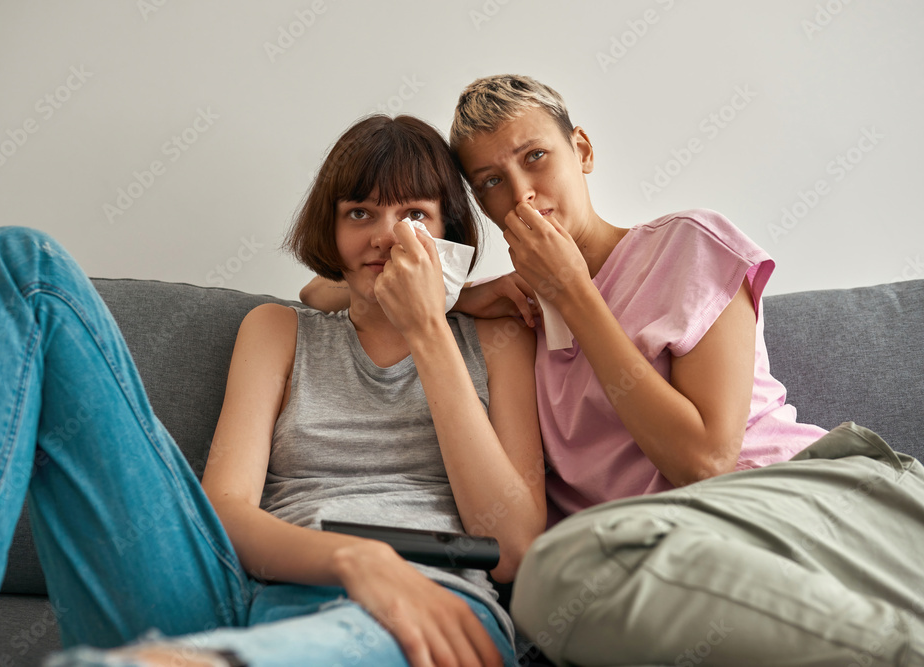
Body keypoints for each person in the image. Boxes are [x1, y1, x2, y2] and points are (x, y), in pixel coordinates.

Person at [302, 75, 924, 665]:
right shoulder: (515, 317)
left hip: (808, 498)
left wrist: (575, 292)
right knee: (559, 592)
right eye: (490, 182)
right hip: (675, 556)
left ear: (582, 150)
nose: (520, 194)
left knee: (558, 574)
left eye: (535, 158)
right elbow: (321, 292)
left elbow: (704, 463)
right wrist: (458, 293)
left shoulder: (685, 245)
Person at [0, 114, 545, 667]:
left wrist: (430, 328)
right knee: (12, 261)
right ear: (332, 233)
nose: (384, 236)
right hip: (241, 596)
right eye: (360, 213)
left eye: (413, 215)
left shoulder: (494, 343)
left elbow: (514, 548)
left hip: (427, 607)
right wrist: (356, 559)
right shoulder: (277, 331)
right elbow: (227, 512)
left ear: (449, 233)